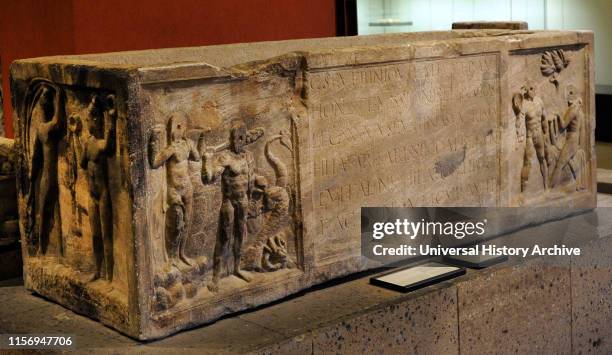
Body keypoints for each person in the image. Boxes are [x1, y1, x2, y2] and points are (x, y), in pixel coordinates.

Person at [201, 121, 264, 292]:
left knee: (240, 235)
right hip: (229, 201)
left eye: (242, 138)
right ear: (232, 139)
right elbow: (209, 178)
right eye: (237, 138)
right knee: (225, 237)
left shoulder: (248, 156)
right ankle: (216, 277)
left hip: (243, 200)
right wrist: (207, 160)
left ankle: (237, 268)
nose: (240, 141)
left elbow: (251, 178)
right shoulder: (225, 157)